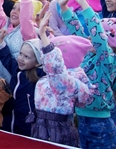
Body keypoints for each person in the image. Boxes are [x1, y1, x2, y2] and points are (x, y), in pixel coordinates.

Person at [60, 0, 116, 147]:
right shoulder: (90, 53)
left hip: (101, 123)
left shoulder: (107, 58)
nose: (89, 37)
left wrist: (84, 4)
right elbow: (77, 32)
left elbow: (97, 33)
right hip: (82, 119)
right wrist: (64, 7)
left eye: (95, 35)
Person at [31, 11, 93, 147]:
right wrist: (43, 34)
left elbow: (56, 70)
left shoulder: (68, 80)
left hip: (57, 130)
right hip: (41, 126)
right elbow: (51, 64)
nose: (44, 56)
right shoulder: (53, 75)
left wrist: (43, 35)